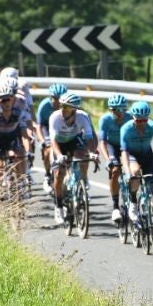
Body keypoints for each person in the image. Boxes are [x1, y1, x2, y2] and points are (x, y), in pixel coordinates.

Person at [120, 101, 153, 244]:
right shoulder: (126, 128)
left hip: (147, 156)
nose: (142, 123)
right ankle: (133, 202)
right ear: (133, 117)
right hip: (131, 156)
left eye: (144, 120)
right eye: (138, 120)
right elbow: (123, 153)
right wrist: (127, 171)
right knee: (135, 172)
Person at [47, 92, 98, 225]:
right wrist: (59, 156)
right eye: (62, 106)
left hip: (74, 141)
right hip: (59, 144)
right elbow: (52, 140)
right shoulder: (55, 117)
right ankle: (58, 207)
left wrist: (92, 152)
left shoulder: (83, 117)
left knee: (84, 156)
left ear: (74, 109)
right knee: (59, 174)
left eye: (67, 107)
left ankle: (83, 178)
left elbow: (89, 137)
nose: (63, 110)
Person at [0, 82, 31, 186]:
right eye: (2, 100)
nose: (6, 103)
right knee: (0, 166)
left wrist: (28, 151)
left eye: (8, 99)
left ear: (13, 99)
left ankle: (19, 186)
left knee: (19, 159)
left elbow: (24, 135)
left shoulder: (19, 113)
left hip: (12, 138)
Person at [97, 93, 131, 223]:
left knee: (135, 171)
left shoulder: (129, 118)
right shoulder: (105, 120)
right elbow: (102, 142)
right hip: (112, 146)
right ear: (111, 110)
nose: (120, 112)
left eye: (123, 109)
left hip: (126, 146)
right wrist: (108, 159)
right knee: (115, 170)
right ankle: (116, 206)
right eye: (117, 110)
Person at [36, 83, 68, 189]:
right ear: (51, 97)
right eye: (55, 98)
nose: (58, 101)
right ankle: (47, 174)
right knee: (48, 150)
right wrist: (42, 141)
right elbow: (39, 126)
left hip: (60, 128)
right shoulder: (44, 105)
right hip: (46, 128)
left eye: (60, 98)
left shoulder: (68, 105)